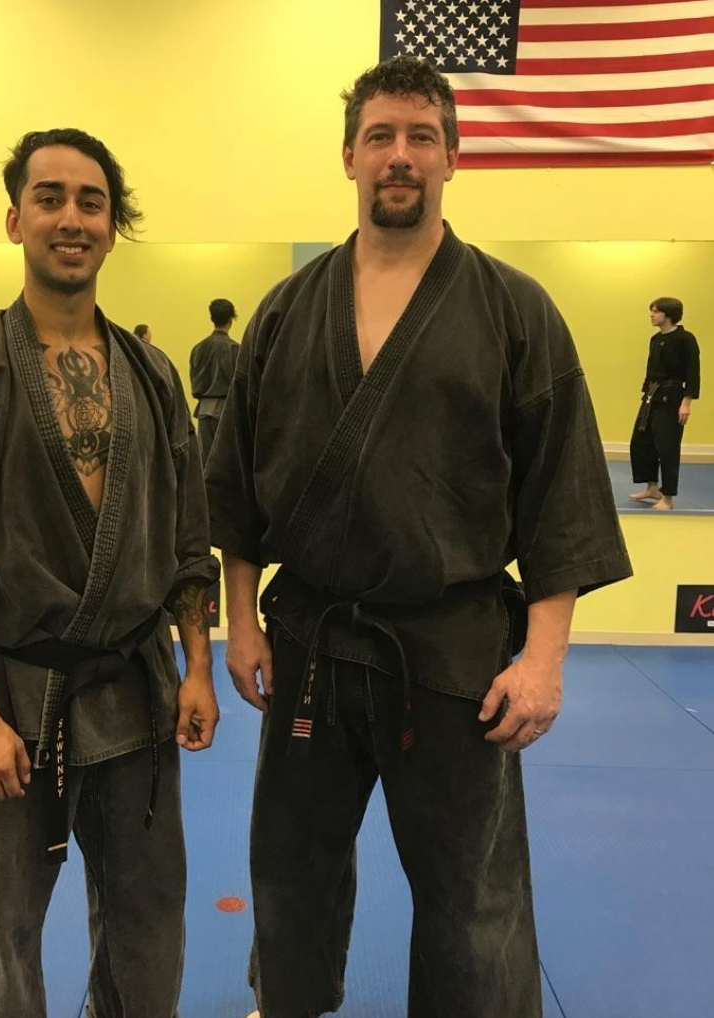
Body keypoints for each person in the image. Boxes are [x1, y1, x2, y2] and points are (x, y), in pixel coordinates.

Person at [206, 57, 632, 1018]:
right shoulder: (286, 308)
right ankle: (288, 1001)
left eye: (421, 137)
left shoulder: (512, 306)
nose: (400, 156)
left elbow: (562, 491)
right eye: (381, 137)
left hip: (454, 652)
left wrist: (544, 660)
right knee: (290, 863)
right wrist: (241, 620)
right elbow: (232, 487)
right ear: (349, 157)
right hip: (312, 638)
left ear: (454, 155)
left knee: (469, 890)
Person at [0, 127, 220, 1018]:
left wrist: (198, 666)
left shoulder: (154, 375)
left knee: (150, 923)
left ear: (113, 228)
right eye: (50, 198)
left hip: (138, 690)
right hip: (14, 698)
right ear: (15, 219)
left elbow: (191, 541)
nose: (70, 218)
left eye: (91, 201)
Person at [629, 297, 701, 511]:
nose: (651, 315)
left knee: (668, 446)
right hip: (652, 396)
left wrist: (686, 403)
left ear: (668, 314)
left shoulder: (685, 339)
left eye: (655, 311)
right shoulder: (655, 339)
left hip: (673, 397)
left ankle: (668, 497)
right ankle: (652, 487)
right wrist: (646, 394)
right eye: (651, 311)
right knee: (641, 441)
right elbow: (651, 369)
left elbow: (693, 373)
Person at [189, 298, 239, 465]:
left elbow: (194, 379)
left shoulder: (198, 348)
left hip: (204, 410)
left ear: (212, 319)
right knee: (227, 463)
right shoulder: (236, 349)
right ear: (231, 320)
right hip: (226, 410)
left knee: (206, 463)